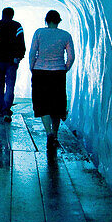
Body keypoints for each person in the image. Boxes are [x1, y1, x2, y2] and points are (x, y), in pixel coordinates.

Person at [29, 9, 75, 150]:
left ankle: (48, 132)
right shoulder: (65, 35)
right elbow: (71, 56)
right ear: (59, 20)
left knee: (42, 103)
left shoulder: (39, 33)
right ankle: (55, 134)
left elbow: (32, 52)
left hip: (40, 72)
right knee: (57, 104)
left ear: (46, 20)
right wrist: (65, 67)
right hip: (58, 73)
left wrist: (33, 67)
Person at [0, 7, 26, 122]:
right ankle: (6, 110)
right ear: (12, 15)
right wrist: (19, 56)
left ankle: (0, 108)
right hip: (11, 61)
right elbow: (21, 42)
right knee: (10, 85)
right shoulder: (17, 26)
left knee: (0, 83)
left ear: (2, 14)